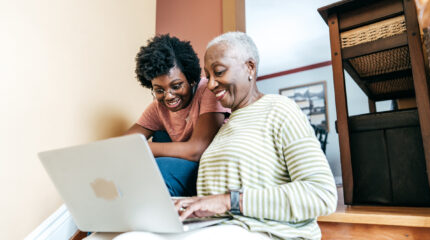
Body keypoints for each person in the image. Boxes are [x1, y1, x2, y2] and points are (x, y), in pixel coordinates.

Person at [109, 32, 336, 240]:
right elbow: (212, 199)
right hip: (217, 226)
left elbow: (321, 194)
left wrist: (230, 201)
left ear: (250, 67)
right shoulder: (224, 129)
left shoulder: (280, 109)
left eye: (218, 72)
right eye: (208, 75)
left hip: (267, 230)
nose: (211, 84)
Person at [124, 34, 230, 197]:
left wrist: (144, 147)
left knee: (156, 170)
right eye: (159, 90)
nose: (168, 96)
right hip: (184, 161)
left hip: (208, 166)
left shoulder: (207, 91)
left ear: (192, 79)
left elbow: (197, 150)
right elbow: (122, 145)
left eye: (176, 86)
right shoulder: (158, 108)